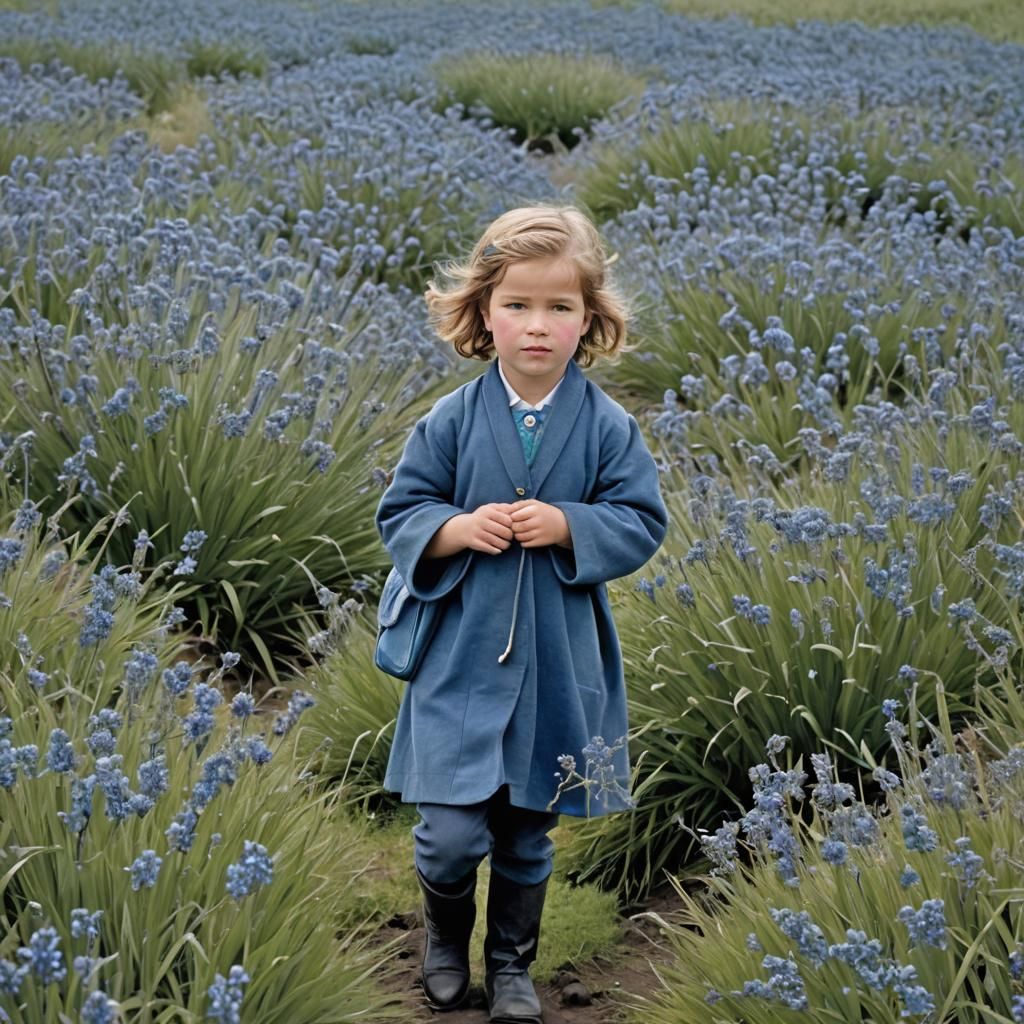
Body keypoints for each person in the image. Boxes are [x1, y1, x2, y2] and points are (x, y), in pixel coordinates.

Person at [374, 205, 668, 1023]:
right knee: (450, 836)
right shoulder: (451, 420)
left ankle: (511, 967)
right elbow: (402, 511)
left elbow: (643, 519)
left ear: (589, 321)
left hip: (556, 657)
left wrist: (574, 524)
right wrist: (456, 528)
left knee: (528, 828)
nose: (537, 326)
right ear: (483, 313)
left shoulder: (610, 427)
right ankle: (442, 937)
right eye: (518, 305)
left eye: (560, 308)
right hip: (459, 656)